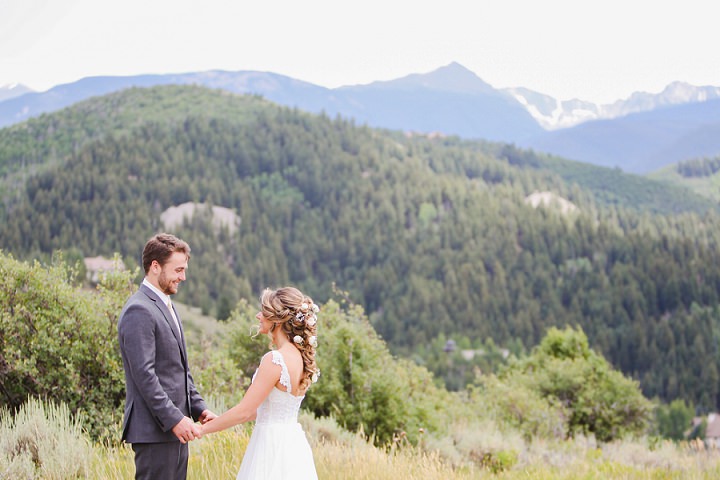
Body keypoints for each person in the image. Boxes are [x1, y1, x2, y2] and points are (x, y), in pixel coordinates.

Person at [118, 233, 217, 480]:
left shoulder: (165, 305)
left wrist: (198, 408)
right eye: (178, 270)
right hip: (155, 433)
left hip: (174, 431)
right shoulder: (139, 309)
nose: (183, 277)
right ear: (155, 266)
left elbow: (179, 370)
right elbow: (145, 376)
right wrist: (175, 419)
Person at [201, 286, 320, 480]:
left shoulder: (275, 359)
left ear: (277, 320)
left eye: (264, 312)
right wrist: (220, 419)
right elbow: (267, 408)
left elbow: (245, 411)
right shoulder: (300, 358)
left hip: (270, 448)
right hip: (293, 447)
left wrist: (202, 429)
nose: (258, 316)